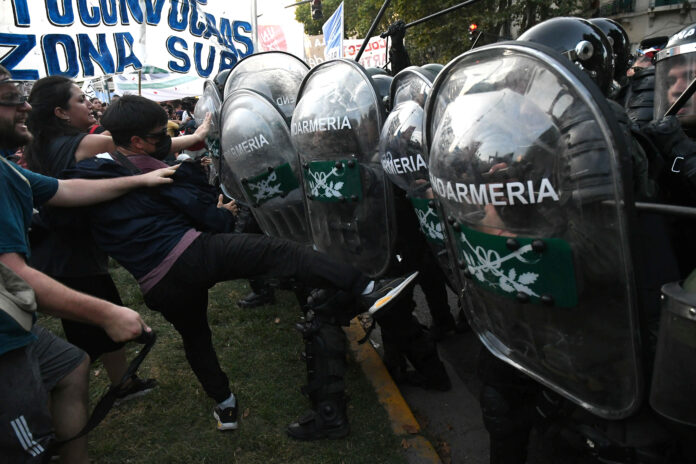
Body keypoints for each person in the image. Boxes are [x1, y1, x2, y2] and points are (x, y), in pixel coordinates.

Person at [64, 94, 419, 438]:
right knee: (282, 253)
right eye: (162, 137)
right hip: (192, 255)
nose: (169, 142)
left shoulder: (94, 177)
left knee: (196, 339)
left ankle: (225, 406)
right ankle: (367, 288)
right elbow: (215, 222)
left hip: (156, 284)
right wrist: (221, 211)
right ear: (138, 142)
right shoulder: (164, 176)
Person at [0, 66, 178, 463]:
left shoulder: (10, 167)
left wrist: (138, 181)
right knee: (27, 450)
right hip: (4, 334)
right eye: (10, 96)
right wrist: (107, 313)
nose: (24, 105)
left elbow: (64, 189)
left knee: (72, 364)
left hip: (20, 315)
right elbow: (10, 275)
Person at [21, 75, 212, 400]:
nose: (89, 104)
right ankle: (86, 395)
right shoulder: (84, 144)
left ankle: (121, 383)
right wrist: (199, 134)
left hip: (56, 250)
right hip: (73, 254)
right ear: (61, 113)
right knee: (97, 322)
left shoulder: (40, 145)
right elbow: (146, 145)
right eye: (80, 100)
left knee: (90, 321)